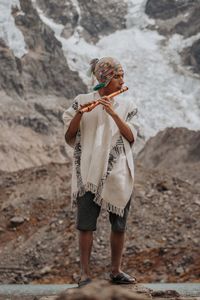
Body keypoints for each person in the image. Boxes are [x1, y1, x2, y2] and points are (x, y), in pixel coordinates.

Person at [63, 57, 139, 287]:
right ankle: (85, 274)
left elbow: (131, 136)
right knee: (85, 224)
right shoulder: (82, 101)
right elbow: (69, 137)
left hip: (118, 171)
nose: (122, 80)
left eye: (122, 75)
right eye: (118, 76)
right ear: (104, 78)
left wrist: (114, 114)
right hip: (88, 170)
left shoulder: (127, 105)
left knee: (119, 224)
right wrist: (81, 113)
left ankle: (116, 271)